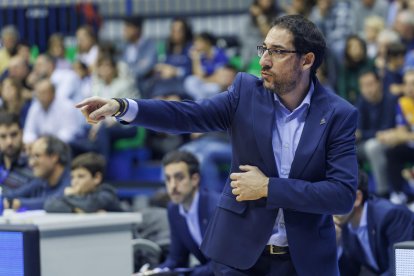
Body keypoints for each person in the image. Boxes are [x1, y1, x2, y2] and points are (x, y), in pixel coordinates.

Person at [77, 15, 358, 276]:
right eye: (264, 49)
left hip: (305, 262)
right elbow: (187, 114)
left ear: (307, 60)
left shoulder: (337, 114)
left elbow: (342, 195)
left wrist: (268, 188)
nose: (264, 61)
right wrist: (124, 107)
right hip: (241, 255)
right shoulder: (246, 93)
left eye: (278, 52)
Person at [141, 150, 218, 275]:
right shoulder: (174, 209)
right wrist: (154, 273)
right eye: (168, 179)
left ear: (195, 179)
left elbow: (222, 264)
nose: (172, 186)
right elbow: (176, 259)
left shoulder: (215, 207)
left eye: (179, 178)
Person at [335, 171, 414, 276]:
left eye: (335, 199)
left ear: (357, 198)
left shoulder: (392, 216)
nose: (328, 208)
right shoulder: (344, 227)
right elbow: (349, 272)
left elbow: (403, 271)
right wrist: (336, 246)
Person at [3, 135, 71, 211]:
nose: (31, 163)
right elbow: (12, 195)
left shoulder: (73, 181)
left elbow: (55, 202)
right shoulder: (41, 181)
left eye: (37, 156)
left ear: (54, 157)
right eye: (31, 157)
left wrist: (18, 203)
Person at [44, 152, 123, 213]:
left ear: (97, 178)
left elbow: (89, 205)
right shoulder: (79, 195)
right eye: (72, 177)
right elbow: (49, 205)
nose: (75, 182)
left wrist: (70, 196)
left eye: (80, 176)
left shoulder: (107, 193)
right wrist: (76, 210)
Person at [0, 112, 33, 191]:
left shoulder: (32, 166)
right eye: (3, 136)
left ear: (22, 134)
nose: (9, 142)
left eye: (14, 135)